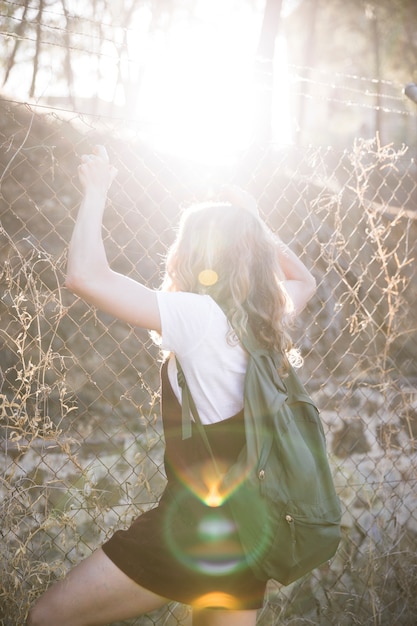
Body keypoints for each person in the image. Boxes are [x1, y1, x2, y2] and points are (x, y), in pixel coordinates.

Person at [27, 145, 316, 626]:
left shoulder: (200, 316)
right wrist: (254, 220)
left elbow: (84, 276)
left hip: (193, 527)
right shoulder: (264, 318)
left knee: (48, 616)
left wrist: (96, 189)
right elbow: (303, 279)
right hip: (250, 530)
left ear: (194, 253)